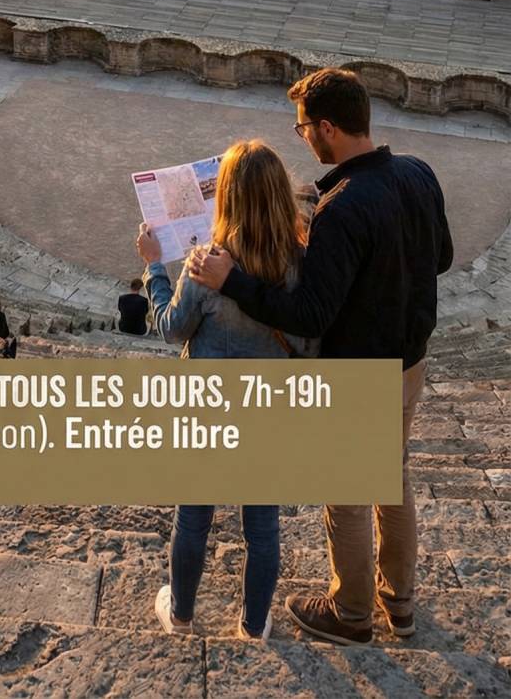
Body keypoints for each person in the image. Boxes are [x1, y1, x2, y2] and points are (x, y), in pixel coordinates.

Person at [191, 67, 453, 647]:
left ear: (329, 128)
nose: (302, 136)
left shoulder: (342, 208)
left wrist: (233, 280)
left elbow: (308, 314)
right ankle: (400, 603)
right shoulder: (418, 174)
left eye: (305, 126)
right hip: (411, 361)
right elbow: (442, 258)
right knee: (394, 478)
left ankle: (352, 613)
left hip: (360, 371)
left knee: (349, 494)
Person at [138, 140, 316, 643]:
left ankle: (181, 614)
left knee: (193, 516)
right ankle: (254, 625)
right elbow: (310, 336)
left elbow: (172, 328)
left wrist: (154, 267)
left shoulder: (206, 263)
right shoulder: (300, 264)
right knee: (262, 527)